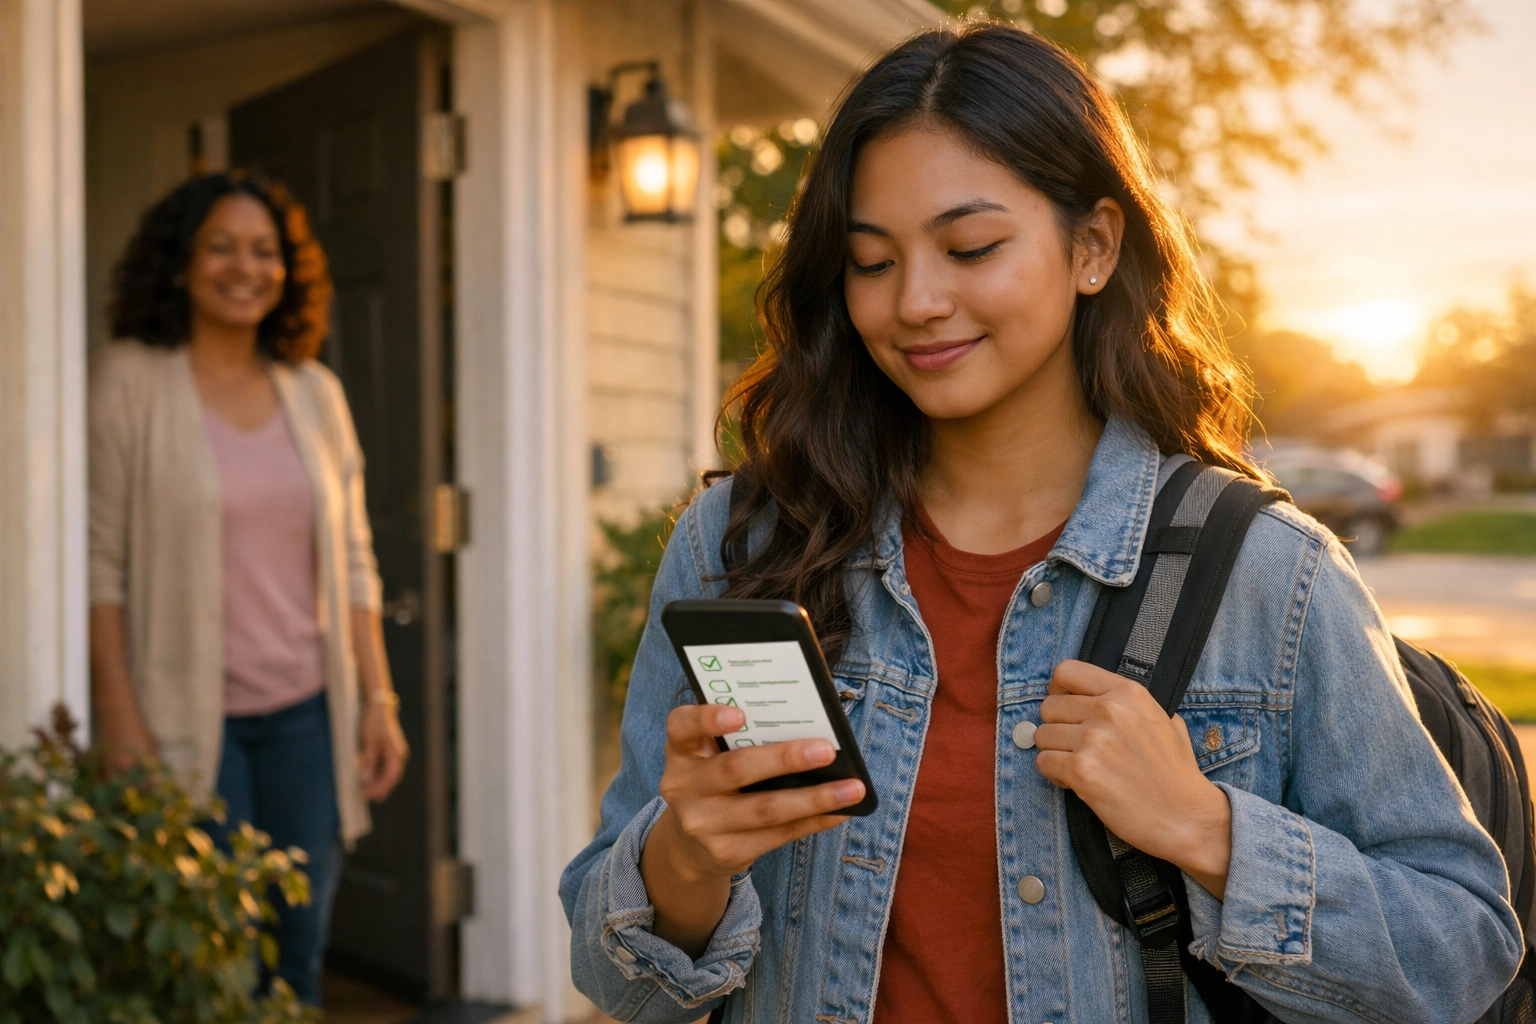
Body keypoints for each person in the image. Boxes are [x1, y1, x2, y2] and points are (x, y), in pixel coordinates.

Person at [561, 23, 1522, 1024]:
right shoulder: (744, 542)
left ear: (1093, 246)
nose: (916, 300)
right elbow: (615, 979)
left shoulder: (1267, 574)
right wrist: (686, 858)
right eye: (872, 261)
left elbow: (1461, 951)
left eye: (970, 248)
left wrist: (1206, 827)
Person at [88, 172, 409, 1005]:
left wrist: (377, 700)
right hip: (184, 717)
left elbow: (354, 558)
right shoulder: (128, 381)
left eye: (265, 251)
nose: (246, 267)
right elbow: (99, 563)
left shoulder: (315, 393)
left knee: (295, 959)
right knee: (208, 962)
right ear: (179, 262)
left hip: (308, 717)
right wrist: (119, 721)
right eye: (221, 247)